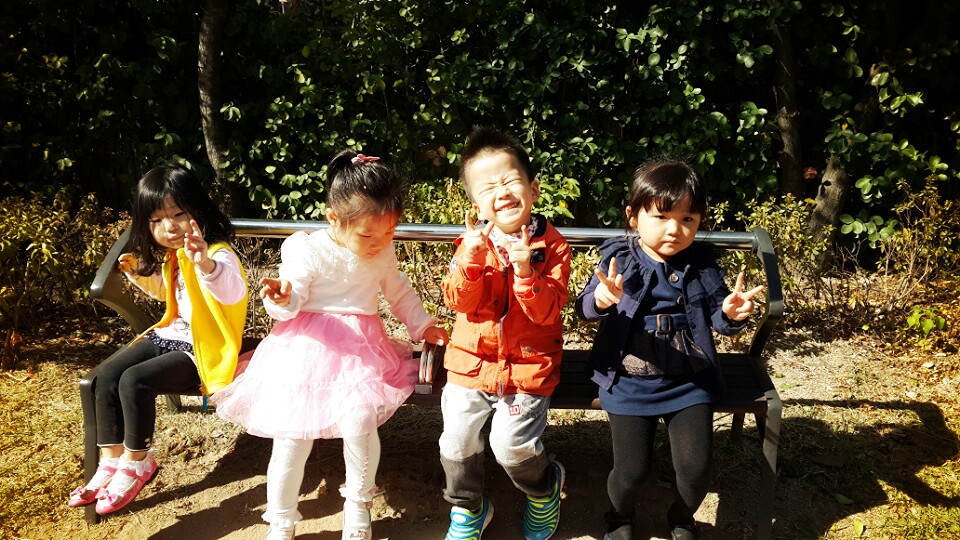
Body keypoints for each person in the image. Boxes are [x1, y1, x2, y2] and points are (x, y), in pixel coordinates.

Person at [213, 150, 449, 540]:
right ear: (334, 218)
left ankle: (358, 504)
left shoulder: (382, 251)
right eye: (368, 235)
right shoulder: (306, 248)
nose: (379, 243)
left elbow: (399, 293)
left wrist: (423, 326)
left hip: (360, 352)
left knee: (360, 421)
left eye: (389, 233)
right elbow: (290, 300)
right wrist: (281, 297)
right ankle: (281, 517)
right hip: (303, 351)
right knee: (291, 436)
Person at [575, 159, 764, 540]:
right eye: (661, 217)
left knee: (696, 470)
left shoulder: (702, 265)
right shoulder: (619, 258)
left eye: (687, 219)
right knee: (631, 473)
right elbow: (584, 307)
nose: (675, 229)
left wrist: (731, 313)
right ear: (633, 217)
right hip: (628, 378)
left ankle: (681, 517)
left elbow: (718, 316)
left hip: (689, 379)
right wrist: (601, 299)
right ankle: (620, 516)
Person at [69, 164, 248, 515]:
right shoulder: (173, 257)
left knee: (134, 381)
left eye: (179, 214)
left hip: (204, 349)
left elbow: (231, 292)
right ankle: (111, 459)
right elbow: (172, 295)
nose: (170, 227)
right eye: (156, 220)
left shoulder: (217, 254)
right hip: (171, 335)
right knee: (105, 377)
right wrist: (138, 275)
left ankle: (138, 461)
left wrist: (206, 265)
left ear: (199, 209)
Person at [439, 127, 571, 540]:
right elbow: (457, 301)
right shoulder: (471, 243)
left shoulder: (552, 246)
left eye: (511, 180)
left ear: (533, 188)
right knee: (455, 442)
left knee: (511, 446)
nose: (502, 192)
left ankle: (544, 488)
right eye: (488, 188)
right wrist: (470, 260)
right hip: (471, 364)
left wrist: (526, 272)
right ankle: (468, 507)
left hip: (528, 367)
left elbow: (548, 312)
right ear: (476, 204)